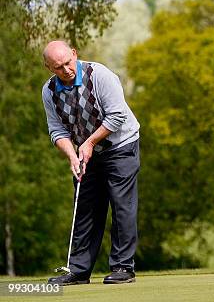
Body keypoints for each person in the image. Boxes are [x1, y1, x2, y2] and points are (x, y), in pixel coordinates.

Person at [42, 40, 140, 285]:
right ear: (49, 68)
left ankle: (122, 267)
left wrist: (89, 143)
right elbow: (56, 129)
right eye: (58, 67)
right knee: (84, 207)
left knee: (121, 205)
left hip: (121, 145)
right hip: (86, 152)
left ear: (74, 54)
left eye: (68, 62)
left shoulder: (100, 76)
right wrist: (73, 155)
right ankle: (78, 270)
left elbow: (117, 115)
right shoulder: (49, 91)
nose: (66, 70)